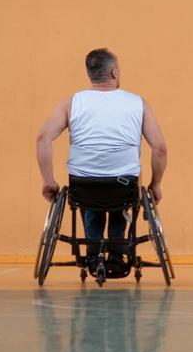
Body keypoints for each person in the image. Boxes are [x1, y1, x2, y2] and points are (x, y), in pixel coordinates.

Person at [34, 48, 169, 269]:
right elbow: (160, 148)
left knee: (91, 196)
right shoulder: (138, 103)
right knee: (124, 192)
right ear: (114, 72)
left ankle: (94, 252)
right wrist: (156, 185)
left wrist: (48, 181)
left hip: (83, 187)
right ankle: (116, 253)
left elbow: (42, 138)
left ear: (91, 74)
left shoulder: (71, 104)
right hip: (123, 185)